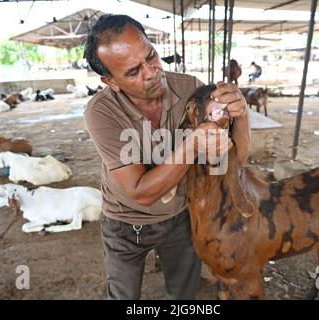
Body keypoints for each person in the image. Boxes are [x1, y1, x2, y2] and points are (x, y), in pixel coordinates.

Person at [83, 14, 250, 300]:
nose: (151, 72)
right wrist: (192, 146)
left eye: (151, 56)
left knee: (184, 294)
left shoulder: (190, 89)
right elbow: (142, 193)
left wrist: (241, 114)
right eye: (133, 71)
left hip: (181, 216)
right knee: (123, 296)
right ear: (110, 81)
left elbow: (236, 161)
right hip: (126, 225)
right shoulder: (101, 112)